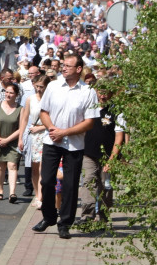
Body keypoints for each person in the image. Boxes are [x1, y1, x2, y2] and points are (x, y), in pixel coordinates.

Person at [33, 53, 100, 239]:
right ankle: (49, 217)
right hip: (52, 140)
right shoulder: (53, 86)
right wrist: (52, 129)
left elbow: (89, 123)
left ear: (79, 69)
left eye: (68, 66)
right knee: (46, 181)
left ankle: (65, 223)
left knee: (70, 185)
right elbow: (44, 112)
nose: (63, 68)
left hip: (74, 144)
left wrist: (65, 132)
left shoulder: (88, 92)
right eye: (63, 65)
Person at [76, 86, 120, 224]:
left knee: (105, 185)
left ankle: (103, 215)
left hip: (107, 155)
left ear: (111, 94)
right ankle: (87, 215)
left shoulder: (116, 112)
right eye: (100, 92)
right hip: (88, 152)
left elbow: (119, 138)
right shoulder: (89, 109)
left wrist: (112, 160)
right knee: (88, 181)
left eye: (106, 93)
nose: (103, 96)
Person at [0, 83, 26, 203]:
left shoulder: (20, 109)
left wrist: (8, 140)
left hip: (13, 141)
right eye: (7, 92)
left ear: (16, 95)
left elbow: (21, 127)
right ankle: (0, 190)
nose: (8, 95)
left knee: (12, 165)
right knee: (1, 166)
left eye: (11, 93)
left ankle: (12, 193)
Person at [19, 75, 50, 208]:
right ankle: (37, 194)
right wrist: (20, 137)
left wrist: (41, 127)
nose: (38, 89)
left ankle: (41, 197)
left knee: (43, 167)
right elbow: (24, 119)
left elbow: (54, 119)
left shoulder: (50, 99)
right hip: (32, 135)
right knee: (34, 168)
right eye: (36, 86)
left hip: (46, 134)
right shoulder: (30, 99)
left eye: (41, 87)